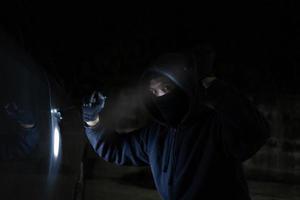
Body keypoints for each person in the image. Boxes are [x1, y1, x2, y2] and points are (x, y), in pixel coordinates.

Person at [82, 53, 270, 199]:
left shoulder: (213, 126)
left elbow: (255, 132)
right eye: (154, 91)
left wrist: (215, 87)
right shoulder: (155, 134)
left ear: (183, 87)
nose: (160, 96)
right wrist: (93, 120)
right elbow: (116, 149)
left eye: (165, 88)